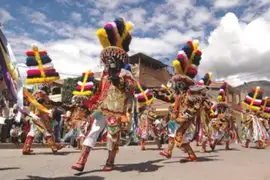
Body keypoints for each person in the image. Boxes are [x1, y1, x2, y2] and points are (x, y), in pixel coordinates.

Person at [72, 17, 136, 172]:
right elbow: (99, 93)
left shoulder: (126, 73)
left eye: (112, 59)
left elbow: (130, 89)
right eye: (108, 59)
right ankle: (82, 160)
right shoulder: (104, 75)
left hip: (116, 110)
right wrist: (87, 104)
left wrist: (118, 80)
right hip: (101, 108)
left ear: (119, 59)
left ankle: (110, 161)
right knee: (92, 131)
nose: (109, 62)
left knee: (112, 136)